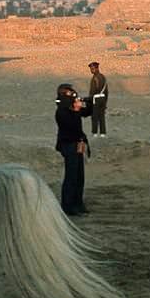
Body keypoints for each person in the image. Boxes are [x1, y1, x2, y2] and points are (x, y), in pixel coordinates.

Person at [54, 83, 93, 216]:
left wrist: (91, 102)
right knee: (71, 177)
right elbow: (71, 127)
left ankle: (78, 203)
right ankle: (68, 206)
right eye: (70, 94)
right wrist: (76, 110)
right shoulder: (61, 112)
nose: (73, 97)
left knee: (79, 176)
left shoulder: (71, 109)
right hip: (69, 145)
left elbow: (88, 112)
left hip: (77, 145)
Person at [88, 61, 109, 137]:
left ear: (97, 68)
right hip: (103, 99)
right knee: (102, 116)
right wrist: (105, 102)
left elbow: (93, 91)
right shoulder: (103, 77)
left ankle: (95, 133)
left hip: (96, 99)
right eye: (91, 69)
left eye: (93, 69)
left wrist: (90, 101)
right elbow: (106, 91)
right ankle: (103, 133)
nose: (91, 70)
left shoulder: (95, 78)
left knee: (95, 116)